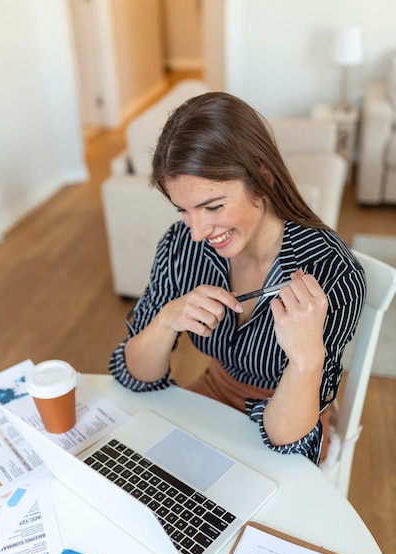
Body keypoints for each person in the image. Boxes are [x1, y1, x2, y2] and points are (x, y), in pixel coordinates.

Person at [109, 91, 366, 465]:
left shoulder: (333, 274)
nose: (197, 231)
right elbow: (134, 375)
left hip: (289, 415)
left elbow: (289, 441)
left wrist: (307, 358)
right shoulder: (183, 245)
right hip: (213, 394)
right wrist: (166, 320)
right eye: (184, 210)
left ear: (263, 178)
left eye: (213, 207)